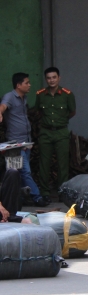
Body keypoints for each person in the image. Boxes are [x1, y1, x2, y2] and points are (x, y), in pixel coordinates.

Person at [0, 73, 48, 207]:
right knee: (24, 171)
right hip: (15, 145)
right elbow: (3, 106)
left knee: (20, 172)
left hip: (26, 142)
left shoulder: (24, 98)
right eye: (26, 83)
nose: (29, 85)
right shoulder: (9, 97)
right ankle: (37, 197)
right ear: (18, 85)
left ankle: (19, 198)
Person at [35, 67, 76, 201]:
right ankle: (45, 193)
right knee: (44, 164)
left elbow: (72, 112)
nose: (51, 80)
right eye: (48, 78)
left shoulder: (67, 94)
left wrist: (61, 121)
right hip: (45, 132)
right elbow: (38, 111)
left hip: (61, 132)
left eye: (54, 77)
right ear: (46, 79)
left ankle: (62, 192)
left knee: (62, 163)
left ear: (59, 78)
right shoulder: (40, 94)